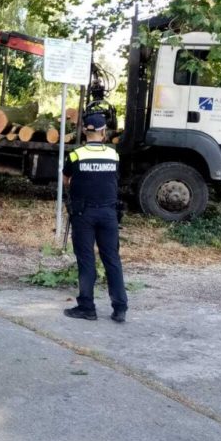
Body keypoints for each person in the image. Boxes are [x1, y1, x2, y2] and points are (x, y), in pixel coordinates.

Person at [62, 112, 128, 323]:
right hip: (109, 213)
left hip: (84, 213)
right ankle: (120, 308)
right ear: (103, 132)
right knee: (112, 260)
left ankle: (87, 307)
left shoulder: (75, 155)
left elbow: (66, 180)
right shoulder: (114, 155)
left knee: (86, 260)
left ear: (84, 131)